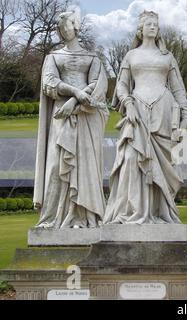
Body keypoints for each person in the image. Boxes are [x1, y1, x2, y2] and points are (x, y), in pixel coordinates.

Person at [104, 11, 187, 224]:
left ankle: (159, 212)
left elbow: (180, 92)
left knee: (162, 166)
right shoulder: (131, 56)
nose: (153, 26)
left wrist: (183, 123)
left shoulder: (167, 57)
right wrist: (128, 103)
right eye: (148, 24)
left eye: (155, 24)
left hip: (164, 112)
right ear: (140, 29)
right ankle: (134, 211)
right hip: (137, 112)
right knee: (132, 160)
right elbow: (122, 86)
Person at [34, 6, 109, 228]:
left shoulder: (92, 56)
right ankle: (52, 219)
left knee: (85, 164)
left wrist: (75, 100)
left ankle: (81, 217)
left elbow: (99, 85)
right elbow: (49, 83)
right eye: (59, 27)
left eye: (66, 24)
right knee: (57, 166)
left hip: (85, 116)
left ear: (75, 26)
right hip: (61, 115)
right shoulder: (53, 57)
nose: (62, 29)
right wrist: (75, 92)